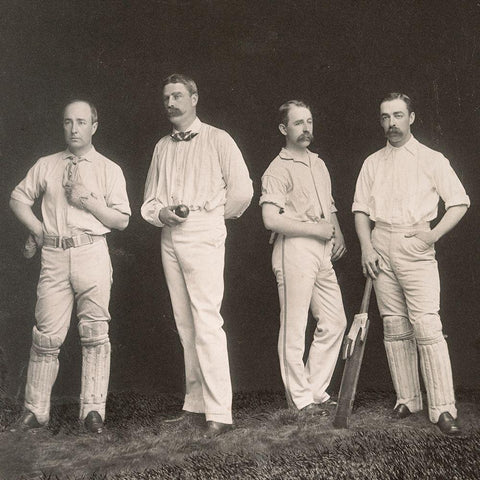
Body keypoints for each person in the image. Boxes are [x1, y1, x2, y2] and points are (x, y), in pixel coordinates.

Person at [141, 74, 253, 438]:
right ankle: (195, 405)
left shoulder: (219, 139)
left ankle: (220, 412)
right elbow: (150, 199)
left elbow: (243, 191)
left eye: (177, 96)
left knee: (206, 320)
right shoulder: (162, 146)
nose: (171, 103)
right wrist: (161, 214)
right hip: (170, 237)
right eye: (166, 97)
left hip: (203, 233)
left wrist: (210, 219)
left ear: (194, 98)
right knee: (184, 322)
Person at [9, 99, 131, 433]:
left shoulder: (108, 169)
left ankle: (93, 413)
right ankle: (36, 411)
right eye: (67, 122)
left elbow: (121, 219)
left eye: (81, 122)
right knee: (46, 335)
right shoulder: (46, 164)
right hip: (54, 254)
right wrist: (38, 229)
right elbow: (18, 198)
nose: (74, 129)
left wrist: (87, 200)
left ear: (94, 125)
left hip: (91, 251)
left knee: (94, 332)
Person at [353, 92, 469, 435]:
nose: (392, 123)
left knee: (427, 326)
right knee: (394, 325)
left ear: (412, 117)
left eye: (398, 115)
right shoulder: (372, 162)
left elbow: (459, 202)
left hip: (414, 244)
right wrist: (366, 248)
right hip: (380, 243)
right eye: (386, 117)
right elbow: (360, 209)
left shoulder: (432, 159)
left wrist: (431, 236)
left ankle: (443, 408)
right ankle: (408, 398)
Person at [259, 100, 347, 414]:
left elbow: (329, 207)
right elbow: (271, 220)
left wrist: (337, 232)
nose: (306, 128)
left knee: (335, 321)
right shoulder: (277, 168)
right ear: (284, 129)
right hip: (293, 248)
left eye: (309, 121)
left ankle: (313, 390)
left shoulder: (318, 164)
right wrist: (316, 230)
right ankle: (300, 399)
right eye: (298, 123)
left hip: (321, 248)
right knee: (295, 326)